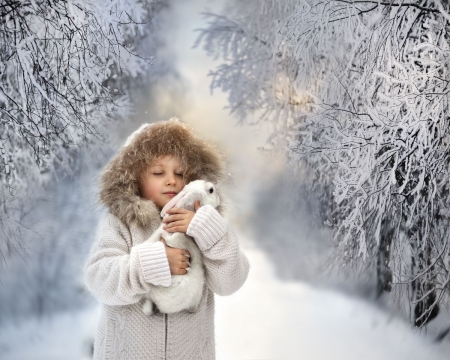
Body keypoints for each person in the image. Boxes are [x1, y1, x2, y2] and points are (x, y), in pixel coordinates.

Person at [84, 118, 250, 360]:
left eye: (180, 173)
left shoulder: (203, 224)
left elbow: (231, 282)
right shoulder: (120, 222)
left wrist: (210, 232)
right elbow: (99, 278)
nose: (171, 180)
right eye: (158, 172)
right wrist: (153, 262)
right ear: (134, 177)